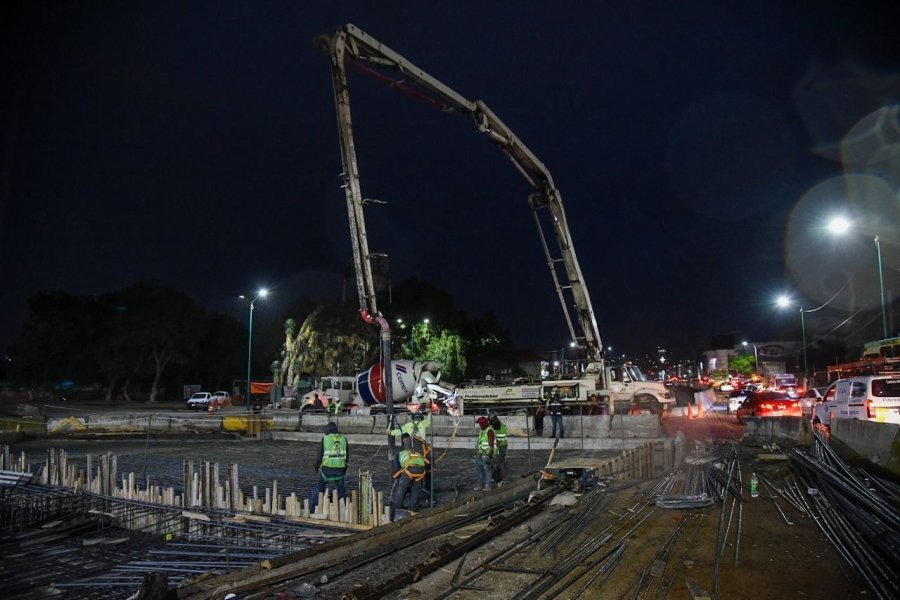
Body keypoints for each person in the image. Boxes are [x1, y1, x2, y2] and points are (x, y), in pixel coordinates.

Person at [390, 433, 428, 519]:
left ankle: (394, 512)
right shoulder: (418, 453)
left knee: (401, 490)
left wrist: (401, 481)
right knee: (416, 489)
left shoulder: (400, 454)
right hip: (421, 471)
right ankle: (413, 510)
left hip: (409, 470)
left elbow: (396, 471)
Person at [312, 421, 348, 509]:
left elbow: (319, 456)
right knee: (341, 489)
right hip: (340, 470)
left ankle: (315, 507)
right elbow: (347, 457)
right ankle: (343, 507)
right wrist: (344, 470)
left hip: (326, 470)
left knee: (320, 488)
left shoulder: (325, 439)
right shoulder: (344, 439)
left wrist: (316, 467)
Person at [474, 416, 495, 491]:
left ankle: (488, 486)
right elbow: (480, 441)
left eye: (480, 424)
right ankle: (480, 486)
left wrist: (488, 455)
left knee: (487, 471)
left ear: (483, 424)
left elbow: (491, 445)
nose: (479, 425)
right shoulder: (482, 431)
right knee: (480, 470)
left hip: (486, 455)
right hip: (480, 453)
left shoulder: (489, 431)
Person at [489, 414, 508, 485]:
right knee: (501, 462)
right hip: (502, 446)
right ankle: (501, 478)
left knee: (500, 463)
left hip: (501, 446)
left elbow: (497, 438)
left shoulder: (497, 427)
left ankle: (502, 479)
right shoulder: (500, 425)